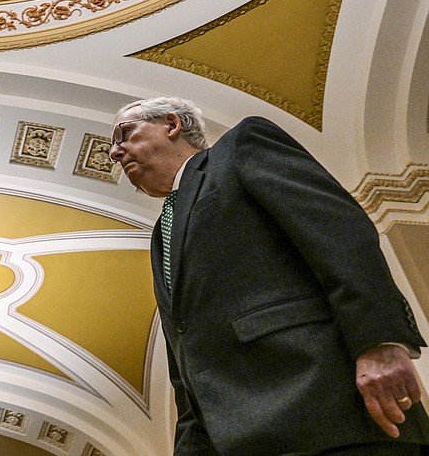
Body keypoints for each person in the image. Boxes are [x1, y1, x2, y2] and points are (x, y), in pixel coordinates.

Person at [109, 96, 429, 455]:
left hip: (329, 410)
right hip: (242, 439)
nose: (115, 153)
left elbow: (338, 232)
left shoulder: (241, 146)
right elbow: (184, 354)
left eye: (124, 134)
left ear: (171, 125)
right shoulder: (159, 235)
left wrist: (380, 342)